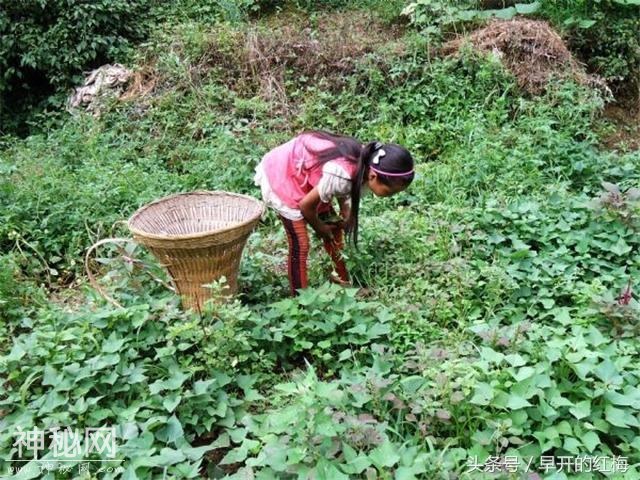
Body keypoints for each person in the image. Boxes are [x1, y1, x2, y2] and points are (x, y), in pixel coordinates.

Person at [254, 130, 414, 296]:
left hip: (313, 176)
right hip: (286, 173)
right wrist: (319, 228)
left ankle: (344, 285)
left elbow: (345, 189)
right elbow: (306, 206)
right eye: (389, 192)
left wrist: (346, 212)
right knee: (300, 244)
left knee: (334, 230)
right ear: (373, 176)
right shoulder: (342, 175)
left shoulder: (365, 163)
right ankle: (299, 299)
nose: (390, 196)